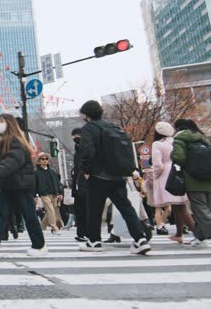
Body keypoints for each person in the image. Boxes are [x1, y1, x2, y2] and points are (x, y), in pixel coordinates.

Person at [77, 100, 151, 255]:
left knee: (94, 209)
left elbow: (87, 152)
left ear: (85, 114)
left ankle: (94, 240)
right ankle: (140, 239)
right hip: (118, 175)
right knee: (126, 207)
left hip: (99, 175)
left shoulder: (88, 129)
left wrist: (86, 170)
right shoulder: (114, 127)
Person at [0, 114, 48, 258]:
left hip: (20, 184)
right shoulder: (5, 141)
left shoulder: (15, 141)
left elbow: (12, 161)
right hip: (11, 184)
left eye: (0, 122)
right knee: (1, 214)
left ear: (9, 124)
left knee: (29, 215)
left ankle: (40, 245)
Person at [171, 118, 211, 250]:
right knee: (207, 210)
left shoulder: (180, 139)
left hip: (194, 179)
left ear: (178, 128)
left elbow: (179, 158)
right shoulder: (204, 140)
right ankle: (200, 237)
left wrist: (173, 155)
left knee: (200, 211)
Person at [150, 122, 194, 244]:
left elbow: (157, 164)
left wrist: (155, 176)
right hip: (179, 172)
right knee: (178, 205)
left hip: (166, 175)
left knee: (180, 206)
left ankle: (198, 233)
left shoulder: (157, 144)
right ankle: (179, 233)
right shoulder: (176, 141)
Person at [35, 152, 63, 233]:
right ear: (39, 161)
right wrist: (35, 195)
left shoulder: (52, 171)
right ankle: (54, 227)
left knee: (51, 211)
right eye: (42, 159)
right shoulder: (36, 173)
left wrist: (59, 193)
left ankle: (42, 227)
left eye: (46, 159)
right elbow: (34, 185)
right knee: (50, 210)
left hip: (53, 194)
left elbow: (57, 183)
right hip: (43, 194)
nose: (45, 160)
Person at [70, 128, 87, 242]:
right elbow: (76, 170)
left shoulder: (85, 148)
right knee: (80, 209)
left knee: (84, 209)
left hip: (85, 182)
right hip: (79, 183)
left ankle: (85, 233)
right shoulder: (78, 149)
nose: (74, 138)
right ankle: (81, 233)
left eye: (76, 135)